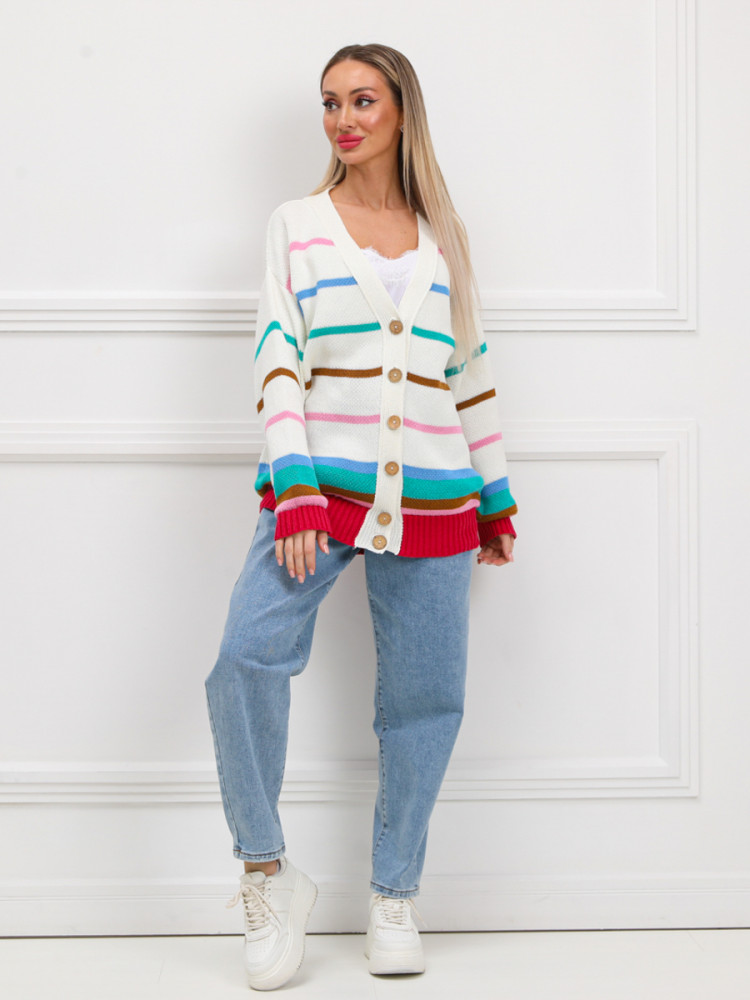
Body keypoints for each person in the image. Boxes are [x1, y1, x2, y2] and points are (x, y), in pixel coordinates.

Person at [205, 43, 517, 991]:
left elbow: (468, 372)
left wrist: (495, 494)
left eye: (363, 101)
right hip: (318, 493)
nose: (343, 119)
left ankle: (395, 893)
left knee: (425, 700)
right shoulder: (297, 226)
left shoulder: (444, 237)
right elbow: (278, 354)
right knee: (244, 660)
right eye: (331, 102)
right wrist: (294, 484)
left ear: (401, 112)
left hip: (437, 494)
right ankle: (268, 873)